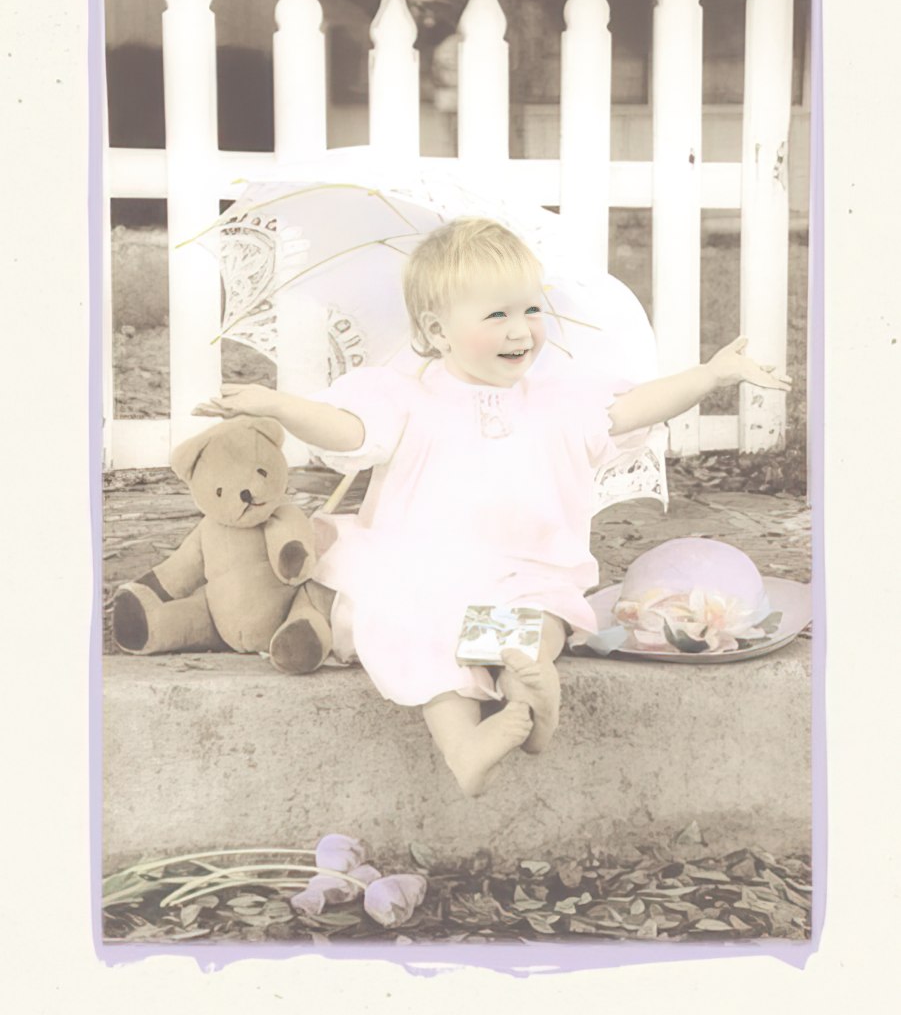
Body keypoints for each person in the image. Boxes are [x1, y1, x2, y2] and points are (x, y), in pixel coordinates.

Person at [197, 218, 790, 797]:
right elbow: (348, 429)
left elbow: (635, 407)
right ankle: (464, 747)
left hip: (523, 577)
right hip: (423, 578)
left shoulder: (559, 401)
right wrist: (281, 406)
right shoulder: (405, 397)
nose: (521, 330)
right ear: (438, 330)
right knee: (411, 631)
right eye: (497, 316)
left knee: (537, 625)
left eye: (530, 309)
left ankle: (529, 696)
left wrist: (711, 375)